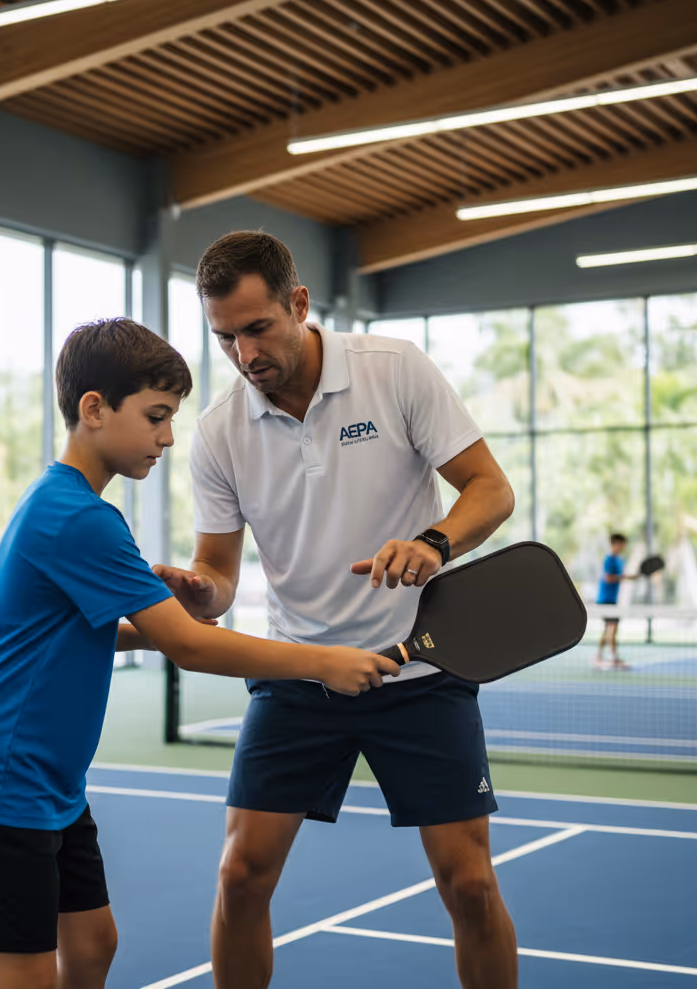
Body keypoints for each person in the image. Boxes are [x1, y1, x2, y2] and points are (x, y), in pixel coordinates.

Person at [0, 318, 397, 989]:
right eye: (154, 416)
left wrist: (161, 607)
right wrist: (324, 661)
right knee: (25, 972)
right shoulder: (79, 518)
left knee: (92, 944)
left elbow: (87, 629)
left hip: (48, 780)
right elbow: (189, 646)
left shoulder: (65, 504)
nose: (168, 437)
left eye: (171, 418)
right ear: (93, 409)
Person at [154, 232, 519, 989]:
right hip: (300, 674)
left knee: (470, 884)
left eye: (257, 328)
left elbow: (490, 489)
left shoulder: (396, 371)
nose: (244, 353)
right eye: (225, 337)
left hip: (419, 665)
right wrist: (200, 592)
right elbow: (218, 576)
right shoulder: (220, 432)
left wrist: (435, 544)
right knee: (240, 875)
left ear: (298, 304)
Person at [596, 532, 637, 670]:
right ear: (615, 544)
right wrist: (626, 577)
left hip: (613, 599)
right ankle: (614, 658)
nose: (623, 547)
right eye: (622, 544)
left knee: (608, 629)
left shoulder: (620, 560)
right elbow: (608, 578)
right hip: (605, 599)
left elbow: (620, 576)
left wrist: (629, 577)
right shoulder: (609, 560)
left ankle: (599, 656)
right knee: (611, 628)